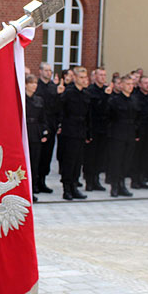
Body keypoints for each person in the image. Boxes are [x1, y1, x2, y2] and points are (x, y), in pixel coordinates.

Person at [57, 66, 91, 200]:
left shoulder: (86, 94)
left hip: (81, 130)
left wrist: (89, 133)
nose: (84, 80)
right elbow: (60, 110)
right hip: (69, 130)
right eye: (81, 77)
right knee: (69, 161)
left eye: (85, 77)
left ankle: (74, 187)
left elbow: (89, 115)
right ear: (75, 78)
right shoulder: (68, 93)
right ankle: (66, 189)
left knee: (78, 161)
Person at [107, 74, 138, 197]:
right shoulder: (114, 100)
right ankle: (114, 185)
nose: (130, 87)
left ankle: (122, 184)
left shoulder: (134, 99)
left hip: (130, 133)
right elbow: (109, 116)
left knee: (126, 161)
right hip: (117, 133)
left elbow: (137, 117)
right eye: (128, 84)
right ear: (121, 85)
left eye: (132, 84)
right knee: (116, 160)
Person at [83, 67, 112, 191]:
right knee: (91, 156)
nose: (102, 77)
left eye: (104, 75)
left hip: (103, 128)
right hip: (93, 128)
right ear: (95, 77)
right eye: (100, 75)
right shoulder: (91, 91)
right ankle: (89, 181)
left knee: (100, 156)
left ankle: (96, 180)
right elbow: (95, 108)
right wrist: (105, 96)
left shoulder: (107, 90)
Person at [35, 62, 59, 194]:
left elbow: (57, 107)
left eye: (50, 71)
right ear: (40, 71)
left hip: (51, 124)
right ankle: (36, 182)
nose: (48, 73)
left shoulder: (53, 87)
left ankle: (43, 180)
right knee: (38, 155)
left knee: (47, 155)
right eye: (46, 70)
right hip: (39, 125)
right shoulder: (36, 86)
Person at [25, 74, 49, 201]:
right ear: (25, 85)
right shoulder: (21, 98)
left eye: (35, 83)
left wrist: (44, 132)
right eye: (31, 83)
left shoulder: (39, 100)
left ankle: (32, 189)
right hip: (25, 131)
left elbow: (43, 118)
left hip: (36, 133)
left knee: (35, 163)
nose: (34, 86)